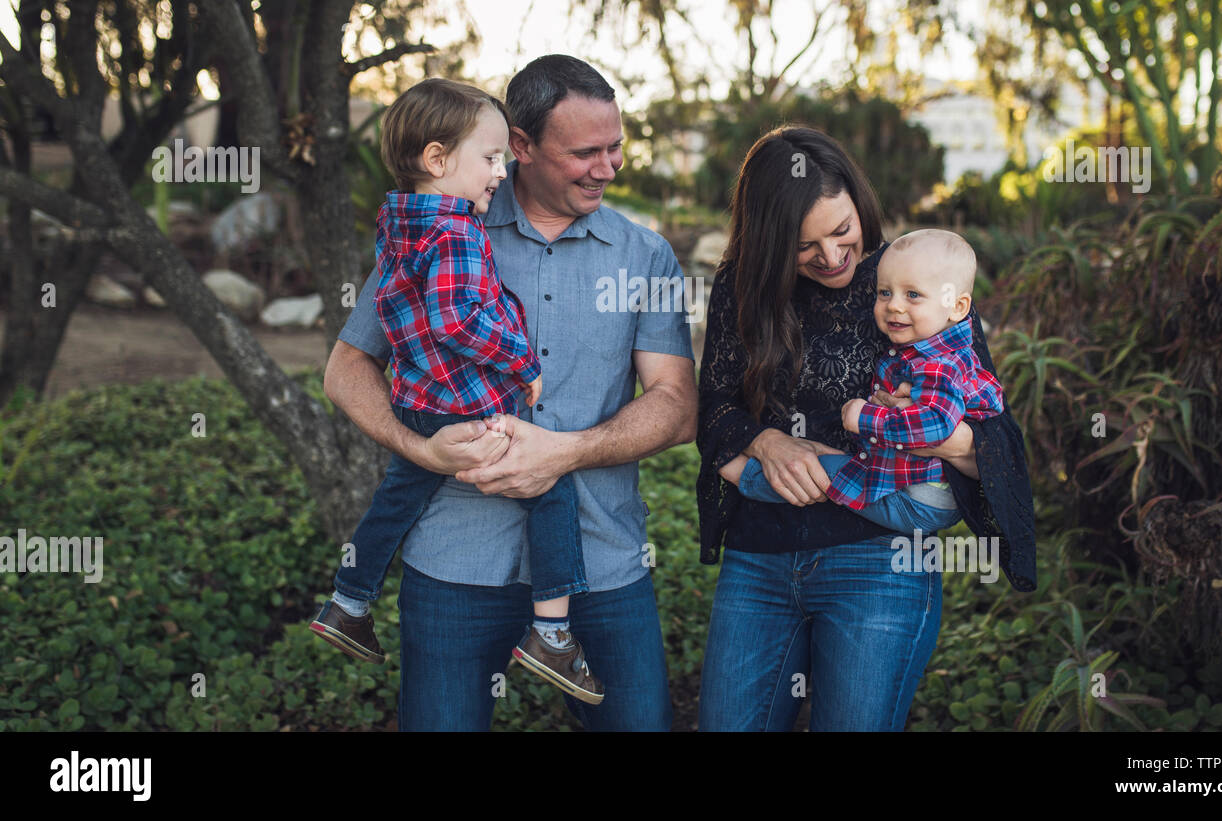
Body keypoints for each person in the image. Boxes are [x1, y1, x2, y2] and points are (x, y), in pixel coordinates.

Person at [322, 55, 697, 731]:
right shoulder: (439, 230)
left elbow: (675, 404)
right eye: (585, 152)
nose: (608, 168)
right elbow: (345, 369)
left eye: (615, 147)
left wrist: (565, 452)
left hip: (604, 563)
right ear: (520, 147)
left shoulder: (644, 255)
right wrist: (422, 449)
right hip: (456, 559)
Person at [695, 126, 1035, 732]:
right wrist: (767, 441)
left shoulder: (913, 284)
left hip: (879, 563)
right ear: (769, 242)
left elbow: (996, 442)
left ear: (860, 203)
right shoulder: (740, 288)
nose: (830, 257)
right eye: (804, 246)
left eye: (841, 231)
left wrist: (930, 436)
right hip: (760, 560)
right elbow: (715, 408)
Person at [310, 78, 602, 705]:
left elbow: (406, 309)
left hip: (417, 402)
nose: (502, 171)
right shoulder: (458, 230)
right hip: (465, 400)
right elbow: (458, 319)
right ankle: (551, 635)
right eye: (490, 158)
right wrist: (522, 362)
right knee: (551, 488)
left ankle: (348, 601)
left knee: (395, 499)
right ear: (438, 160)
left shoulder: (399, 222)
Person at [723, 228, 1004, 536]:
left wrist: (865, 417)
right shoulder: (930, 350)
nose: (894, 305)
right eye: (885, 293)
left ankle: (748, 477)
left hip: (920, 499)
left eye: (913, 295)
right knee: (824, 460)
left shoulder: (940, 364)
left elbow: (936, 424)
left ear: (958, 307)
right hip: (917, 488)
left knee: (820, 475)